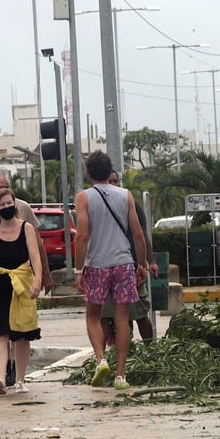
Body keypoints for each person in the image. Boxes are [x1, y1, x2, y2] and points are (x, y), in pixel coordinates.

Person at [74, 151, 147, 390]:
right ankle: (121, 376)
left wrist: (78, 269)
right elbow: (138, 234)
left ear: (89, 173)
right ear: (110, 170)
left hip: (97, 265)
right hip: (124, 263)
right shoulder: (126, 195)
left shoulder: (83, 198)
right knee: (122, 318)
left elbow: (83, 235)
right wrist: (142, 264)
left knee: (93, 316)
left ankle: (101, 359)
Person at [0, 188, 43, 395]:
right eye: (2, 205)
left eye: (9, 203)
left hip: (22, 286)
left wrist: (37, 280)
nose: (7, 208)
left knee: (22, 336)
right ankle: (0, 378)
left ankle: (21, 379)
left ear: (15, 204)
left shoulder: (27, 228)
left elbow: (35, 257)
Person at [100, 170, 159, 346]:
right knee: (107, 315)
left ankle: (151, 350)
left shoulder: (130, 202)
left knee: (140, 313)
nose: (113, 184)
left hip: (131, 267)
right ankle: (103, 359)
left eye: (116, 181)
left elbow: (141, 235)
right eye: (109, 181)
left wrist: (149, 262)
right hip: (105, 268)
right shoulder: (96, 205)